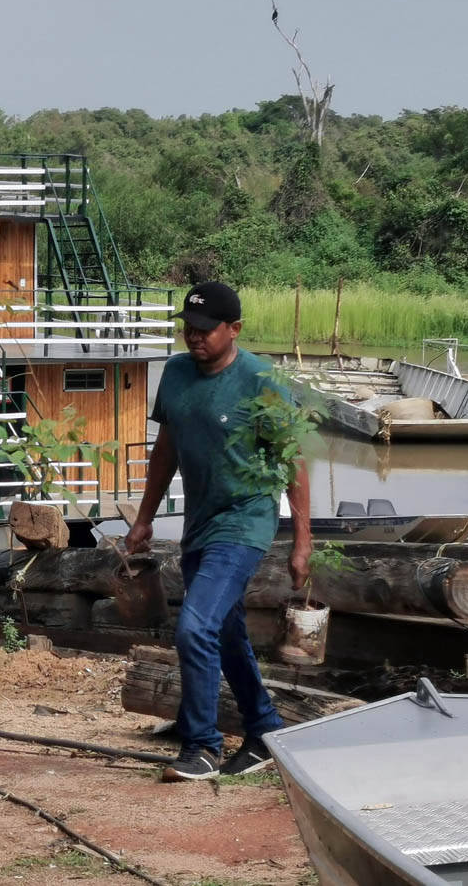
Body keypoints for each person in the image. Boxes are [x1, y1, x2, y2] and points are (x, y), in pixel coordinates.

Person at [124, 281, 311, 782]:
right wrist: (144, 517)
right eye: (189, 327)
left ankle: (202, 746)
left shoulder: (261, 381)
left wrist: (302, 541)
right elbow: (166, 447)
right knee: (224, 632)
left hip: (245, 521)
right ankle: (264, 730)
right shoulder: (177, 373)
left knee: (194, 627)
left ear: (235, 329)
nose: (195, 337)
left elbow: (292, 460)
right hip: (199, 523)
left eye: (206, 329)